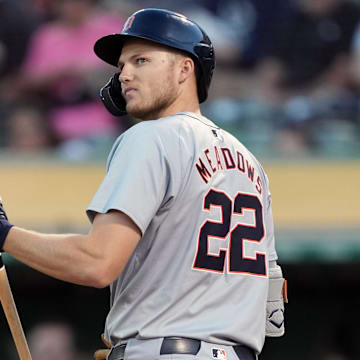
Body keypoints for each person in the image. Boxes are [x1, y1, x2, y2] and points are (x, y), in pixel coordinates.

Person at [0, 8, 286, 360]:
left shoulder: (152, 136)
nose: (125, 75)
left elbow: (97, 263)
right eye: (122, 66)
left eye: (141, 60)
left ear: (185, 69)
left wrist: (5, 234)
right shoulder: (251, 164)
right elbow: (271, 313)